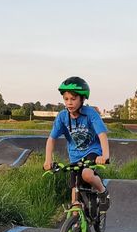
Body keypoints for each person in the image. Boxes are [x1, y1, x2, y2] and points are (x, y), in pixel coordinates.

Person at [43, 76, 111, 210]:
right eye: (66, 99)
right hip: (75, 156)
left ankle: (103, 192)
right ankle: (74, 226)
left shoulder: (90, 113)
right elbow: (51, 139)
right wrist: (48, 160)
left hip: (92, 151)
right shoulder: (62, 117)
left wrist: (105, 156)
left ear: (82, 99)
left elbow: (102, 135)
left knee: (86, 174)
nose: (69, 102)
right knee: (74, 198)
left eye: (73, 99)